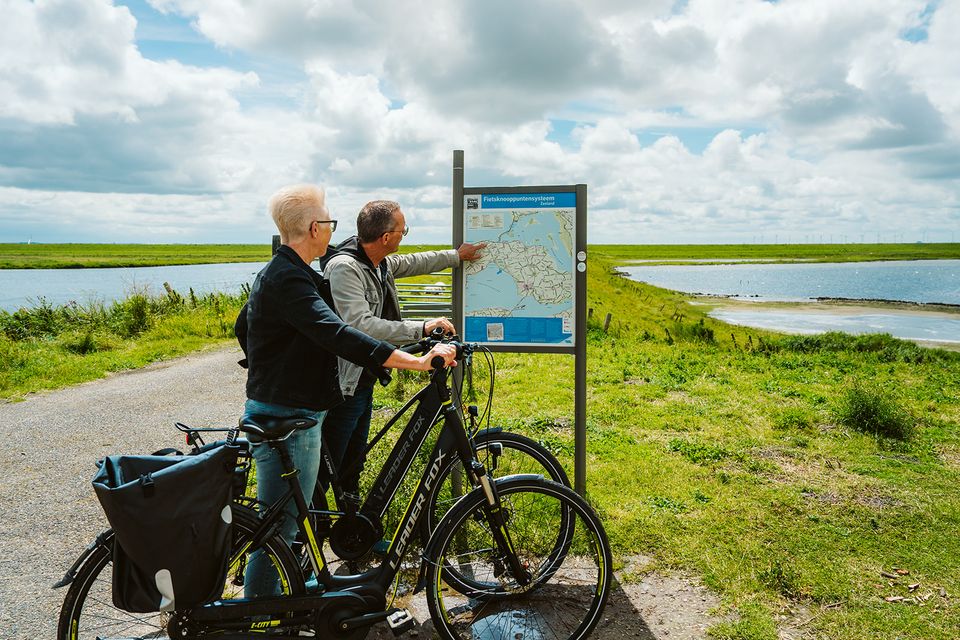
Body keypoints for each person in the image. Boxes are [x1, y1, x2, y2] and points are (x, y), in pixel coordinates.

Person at [234, 184, 456, 597]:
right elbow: (339, 332)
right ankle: (260, 613)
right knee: (280, 528)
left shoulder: (291, 273)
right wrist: (415, 360)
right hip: (289, 416)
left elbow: (243, 326)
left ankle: (301, 588)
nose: (333, 229)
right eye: (329, 222)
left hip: (291, 408)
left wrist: (271, 366)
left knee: (294, 516)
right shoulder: (290, 279)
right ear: (315, 228)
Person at [319, 199, 485, 499]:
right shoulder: (346, 268)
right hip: (342, 384)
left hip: (364, 376)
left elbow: (415, 262)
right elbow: (361, 325)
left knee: (354, 459)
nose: (404, 234)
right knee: (327, 465)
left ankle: (352, 530)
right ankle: (308, 533)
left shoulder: (378, 263)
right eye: (402, 230)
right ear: (386, 237)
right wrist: (421, 327)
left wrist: (457, 256)